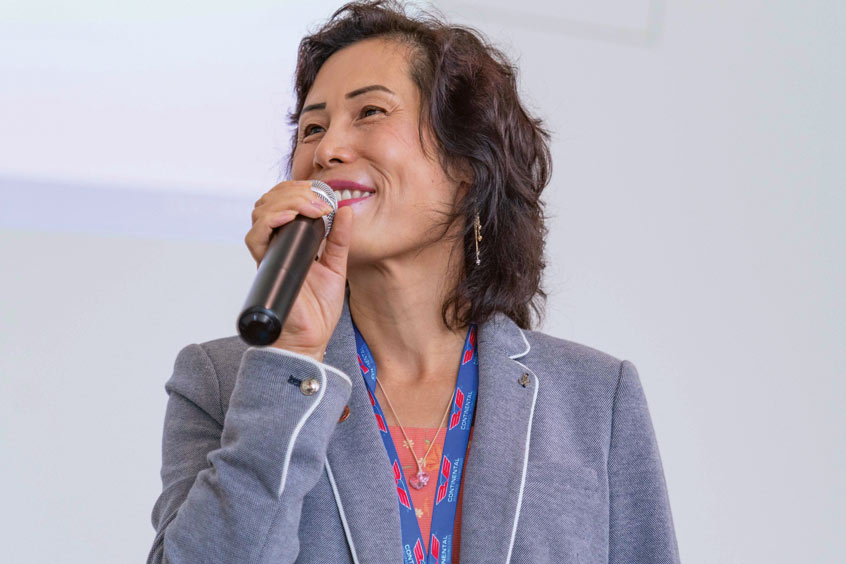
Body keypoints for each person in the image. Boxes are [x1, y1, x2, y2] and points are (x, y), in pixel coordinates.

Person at [147, 1, 681, 563]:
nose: (326, 149)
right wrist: (293, 359)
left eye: (370, 112)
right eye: (312, 128)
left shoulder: (596, 397)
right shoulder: (222, 382)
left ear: (467, 165)